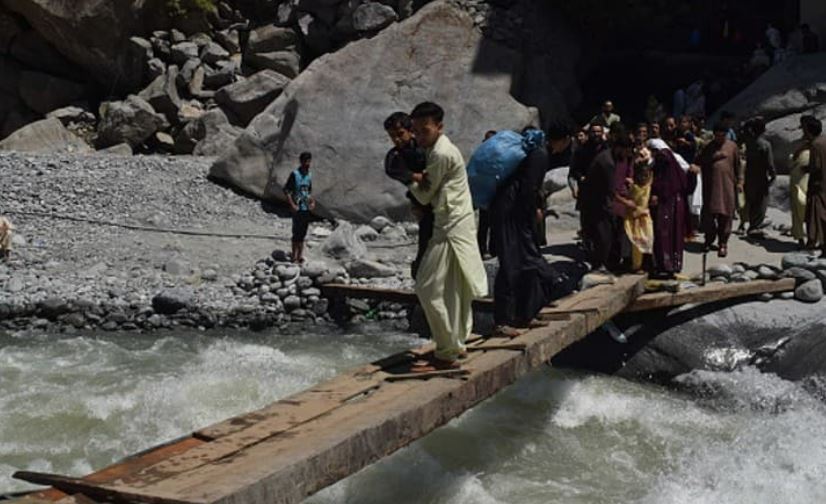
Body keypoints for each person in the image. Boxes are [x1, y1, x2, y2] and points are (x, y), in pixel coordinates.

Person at [408, 102, 488, 369]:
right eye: (416, 131)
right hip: (458, 221)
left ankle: (446, 350)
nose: (420, 136)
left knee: (427, 287)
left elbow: (424, 193)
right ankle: (457, 343)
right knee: (454, 288)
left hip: (450, 227)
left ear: (439, 127)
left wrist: (407, 179)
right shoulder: (441, 149)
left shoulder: (440, 154)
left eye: (425, 130)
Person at [490, 128, 560, 337]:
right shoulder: (540, 154)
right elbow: (530, 188)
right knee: (511, 263)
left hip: (509, 209)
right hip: (512, 212)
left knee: (522, 263)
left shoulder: (532, 153)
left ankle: (524, 314)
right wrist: (535, 212)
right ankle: (502, 322)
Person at [383, 111, 430, 277]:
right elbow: (392, 169)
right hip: (421, 201)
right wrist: (413, 176)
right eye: (392, 136)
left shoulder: (423, 146)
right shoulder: (396, 155)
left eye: (400, 134)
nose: (396, 139)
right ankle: (419, 275)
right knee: (425, 239)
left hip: (437, 198)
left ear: (410, 131)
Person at [582, 131, 633, 271]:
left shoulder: (612, 157)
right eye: (626, 151)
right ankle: (598, 267)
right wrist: (627, 202)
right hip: (595, 203)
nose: (626, 155)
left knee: (611, 233)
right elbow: (611, 191)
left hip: (602, 201)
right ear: (619, 148)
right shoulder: (607, 162)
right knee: (603, 237)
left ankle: (609, 264)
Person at [648, 139, 697, 277]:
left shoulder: (673, 171)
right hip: (668, 206)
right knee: (664, 234)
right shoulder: (660, 168)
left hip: (672, 205)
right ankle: (665, 264)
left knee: (672, 234)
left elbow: (687, 186)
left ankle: (670, 265)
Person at [696, 123, 740, 257]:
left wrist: (740, 182)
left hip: (727, 186)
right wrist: (715, 157)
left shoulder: (732, 146)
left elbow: (738, 166)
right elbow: (700, 161)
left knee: (726, 216)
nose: (720, 138)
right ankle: (709, 239)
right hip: (711, 187)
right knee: (709, 216)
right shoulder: (708, 147)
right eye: (717, 135)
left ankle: (723, 243)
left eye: (722, 135)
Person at [741, 116, 776, 237]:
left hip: (749, 174)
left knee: (750, 200)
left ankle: (747, 223)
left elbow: (744, 128)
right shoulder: (765, 144)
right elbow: (769, 162)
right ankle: (754, 226)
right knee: (761, 202)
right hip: (761, 176)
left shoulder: (749, 141)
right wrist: (773, 174)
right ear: (764, 130)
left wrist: (750, 121)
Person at [283, 152, 315, 264]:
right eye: (306, 161)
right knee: (296, 232)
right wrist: (292, 204)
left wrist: (312, 202)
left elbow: (308, 192)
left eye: (309, 161)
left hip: (306, 208)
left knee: (303, 232)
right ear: (301, 161)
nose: (308, 163)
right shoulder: (294, 174)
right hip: (297, 208)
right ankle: (294, 256)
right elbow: (287, 191)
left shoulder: (309, 175)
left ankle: (300, 256)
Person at [624, 153, 653, 273]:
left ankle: (648, 264)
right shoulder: (633, 188)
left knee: (648, 241)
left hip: (646, 219)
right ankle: (636, 265)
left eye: (646, 175)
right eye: (641, 175)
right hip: (634, 220)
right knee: (636, 244)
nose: (643, 178)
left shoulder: (650, 187)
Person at [803, 115, 826, 254]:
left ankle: (813, 241)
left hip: (818, 185)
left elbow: (815, 166)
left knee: (815, 213)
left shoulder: (816, 145)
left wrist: (805, 169)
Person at [476, 130, 498, 258]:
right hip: (485, 192)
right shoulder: (482, 155)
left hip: (495, 192)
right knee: (484, 223)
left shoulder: (499, 154)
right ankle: (482, 249)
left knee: (494, 223)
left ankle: (493, 249)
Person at [790, 120, 811, 248]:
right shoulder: (800, 145)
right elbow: (792, 161)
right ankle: (800, 238)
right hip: (797, 180)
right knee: (797, 209)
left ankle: (813, 238)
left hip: (810, 181)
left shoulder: (818, 144)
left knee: (810, 209)